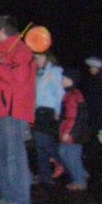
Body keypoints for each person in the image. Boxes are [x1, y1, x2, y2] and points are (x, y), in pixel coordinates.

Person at [0, 16, 36, 204]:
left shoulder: (21, 51)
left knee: (13, 155)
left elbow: (20, 78)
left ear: (2, 30)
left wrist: (0, 67)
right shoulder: (6, 51)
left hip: (11, 110)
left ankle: (21, 199)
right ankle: (7, 195)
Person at [32, 51, 65, 187]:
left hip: (49, 111)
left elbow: (59, 92)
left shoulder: (55, 71)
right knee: (41, 145)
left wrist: (58, 110)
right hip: (38, 111)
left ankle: (67, 165)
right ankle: (45, 175)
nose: (36, 60)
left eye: (38, 57)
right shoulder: (37, 73)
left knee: (45, 143)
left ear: (46, 57)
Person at [58, 68, 90, 190]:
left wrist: (67, 132)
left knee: (71, 156)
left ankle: (79, 181)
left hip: (73, 133)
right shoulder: (70, 93)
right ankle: (81, 173)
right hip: (73, 131)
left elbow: (72, 116)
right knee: (65, 153)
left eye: (65, 78)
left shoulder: (72, 95)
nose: (62, 80)